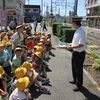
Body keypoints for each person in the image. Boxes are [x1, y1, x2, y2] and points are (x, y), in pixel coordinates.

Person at [66, 16, 86, 91]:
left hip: (79, 54)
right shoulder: (77, 30)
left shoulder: (81, 32)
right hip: (75, 52)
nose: (72, 24)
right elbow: (76, 42)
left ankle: (79, 85)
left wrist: (71, 47)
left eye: (72, 23)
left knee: (78, 70)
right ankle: (75, 80)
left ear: (76, 23)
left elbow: (81, 44)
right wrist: (70, 44)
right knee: (74, 68)